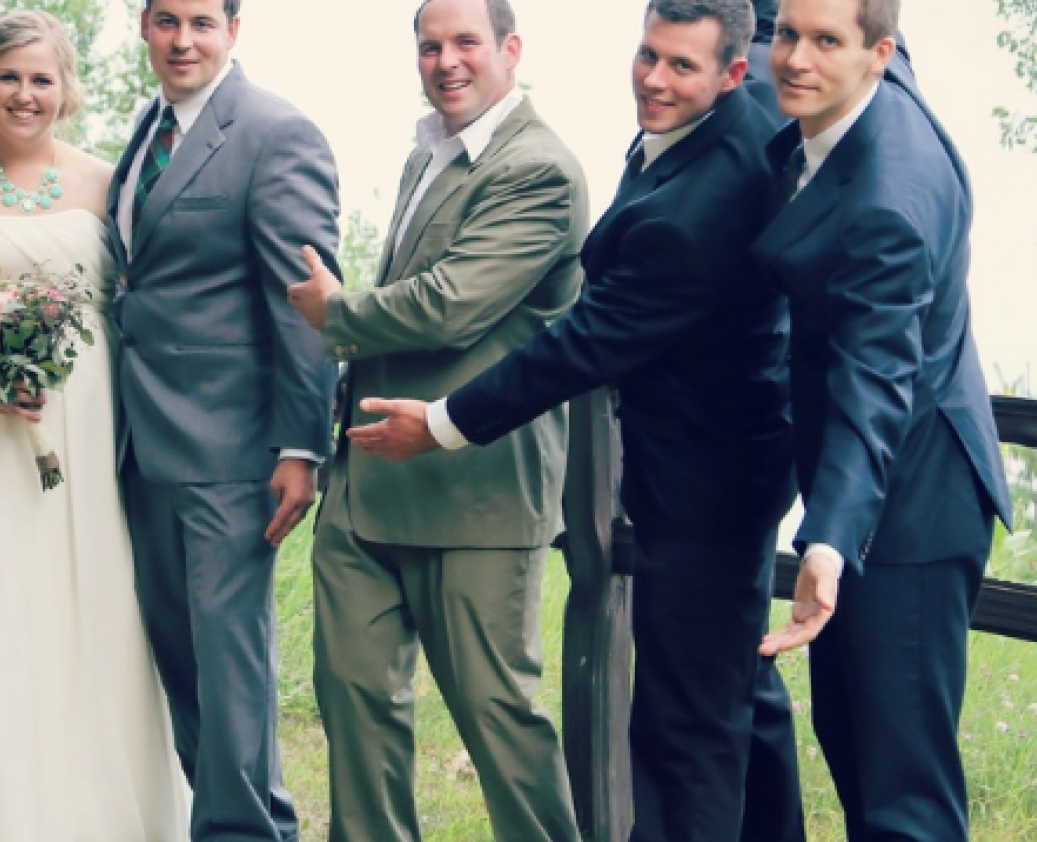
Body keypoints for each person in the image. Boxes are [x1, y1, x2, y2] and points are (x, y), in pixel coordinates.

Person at [344, 1, 809, 839]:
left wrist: (444, 422)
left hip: (706, 483)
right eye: (648, 55)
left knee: (684, 732)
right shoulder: (728, 119)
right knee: (741, 696)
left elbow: (579, 347)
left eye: (681, 66)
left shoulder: (697, 212)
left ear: (735, 74)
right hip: (729, 462)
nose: (653, 80)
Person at [0, 10, 191, 840]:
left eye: (41, 79)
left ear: (66, 90)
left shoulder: (106, 182)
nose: (25, 94)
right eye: (9, 77)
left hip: (85, 434)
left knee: (87, 614)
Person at [282, 0, 584, 838]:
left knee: (500, 725)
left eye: (465, 42)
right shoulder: (429, 153)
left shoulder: (541, 168)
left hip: (475, 493)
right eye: (429, 45)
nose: (446, 60)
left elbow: (452, 305)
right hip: (366, 495)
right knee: (354, 711)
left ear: (511, 49)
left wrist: (337, 312)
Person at [753, 0, 1013, 839]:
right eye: (787, 35)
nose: (795, 59)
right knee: (855, 753)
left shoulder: (887, 202)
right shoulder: (866, 87)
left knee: (903, 798)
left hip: (911, 506)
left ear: (879, 52)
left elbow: (875, 383)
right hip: (876, 494)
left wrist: (826, 541)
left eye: (825, 42)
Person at [106, 0, 340, 838]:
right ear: (143, 25)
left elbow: (304, 305)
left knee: (230, 668)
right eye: (167, 20)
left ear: (233, 31)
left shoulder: (277, 133)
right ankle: (249, 827)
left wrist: (302, 445)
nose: (183, 40)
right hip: (143, 442)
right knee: (183, 666)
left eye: (202, 22)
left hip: (233, 450)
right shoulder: (148, 129)